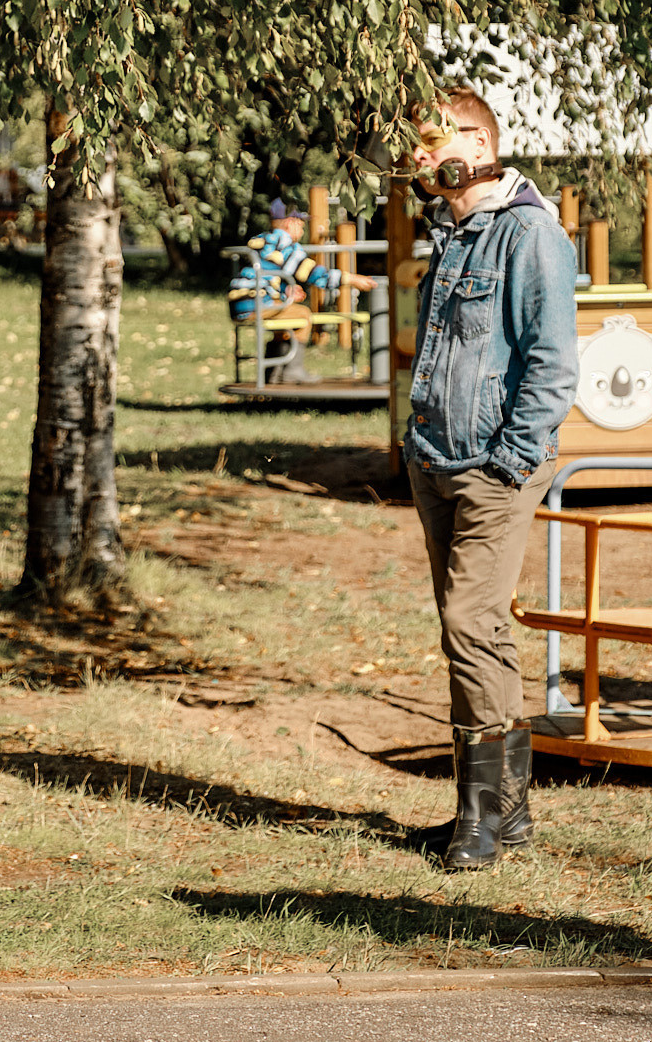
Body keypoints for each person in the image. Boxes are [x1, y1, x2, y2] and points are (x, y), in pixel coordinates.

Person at [400, 87, 580, 871]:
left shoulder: (528, 233)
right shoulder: (451, 231)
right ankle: (501, 817)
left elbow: (553, 364)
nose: (412, 155)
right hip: (435, 460)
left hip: (495, 467)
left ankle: (481, 821)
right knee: (479, 634)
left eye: (426, 140)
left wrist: (509, 460)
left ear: (473, 142)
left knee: (469, 625)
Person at [227, 199, 376, 384]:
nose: (303, 231)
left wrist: (286, 290)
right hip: (257, 303)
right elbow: (313, 273)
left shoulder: (261, 240)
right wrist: (352, 279)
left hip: (239, 303)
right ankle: (291, 372)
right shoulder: (285, 244)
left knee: (286, 324)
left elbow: (264, 274)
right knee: (303, 316)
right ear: (290, 223)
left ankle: (271, 376)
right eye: (301, 225)